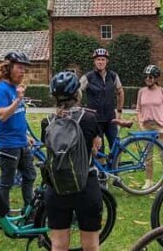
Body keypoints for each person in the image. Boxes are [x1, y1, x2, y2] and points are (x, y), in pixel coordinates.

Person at [42, 71, 103, 251]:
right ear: (78, 93)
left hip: (57, 187)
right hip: (86, 185)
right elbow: (96, 147)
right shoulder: (89, 118)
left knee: (58, 244)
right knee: (91, 244)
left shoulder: (47, 122)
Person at [0, 50, 36, 207]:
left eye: (24, 68)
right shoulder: (1, 90)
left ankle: (29, 211)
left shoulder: (15, 88)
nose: (23, 72)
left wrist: (25, 135)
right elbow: (2, 115)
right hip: (9, 145)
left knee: (30, 175)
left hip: (22, 143)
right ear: (8, 68)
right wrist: (18, 100)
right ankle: (3, 214)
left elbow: (18, 116)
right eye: (19, 68)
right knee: (7, 182)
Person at [80, 48, 124, 152]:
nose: (100, 62)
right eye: (98, 59)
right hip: (95, 120)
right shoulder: (88, 77)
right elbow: (77, 92)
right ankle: (101, 168)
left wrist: (119, 111)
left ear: (107, 61)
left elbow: (120, 92)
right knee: (98, 149)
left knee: (116, 147)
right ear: (94, 61)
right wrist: (79, 108)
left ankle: (114, 166)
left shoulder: (113, 76)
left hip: (110, 119)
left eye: (103, 59)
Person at [136, 65, 163, 188]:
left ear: (156, 78)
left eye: (150, 77)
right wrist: (140, 123)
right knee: (148, 155)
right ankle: (148, 180)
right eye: (146, 77)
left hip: (159, 127)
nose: (148, 79)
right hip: (146, 126)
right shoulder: (141, 91)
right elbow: (138, 109)